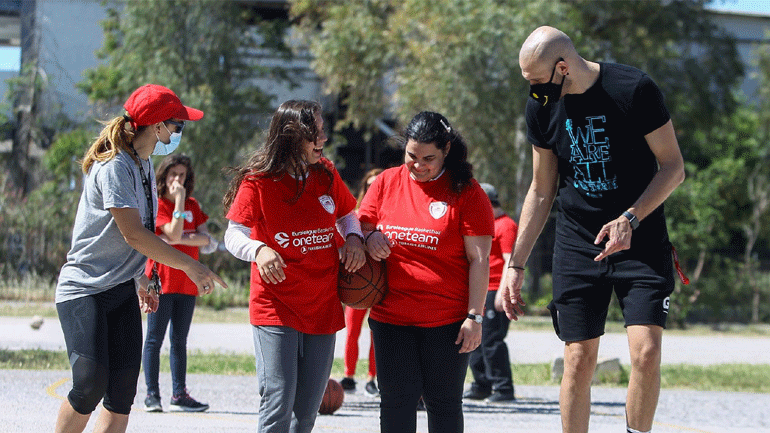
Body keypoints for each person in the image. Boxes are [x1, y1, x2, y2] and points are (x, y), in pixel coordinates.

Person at [499, 26, 685, 433]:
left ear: (563, 67)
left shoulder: (633, 89)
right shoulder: (541, 108)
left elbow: (674, 167)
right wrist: (516, 264)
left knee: (647, 352)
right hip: (578, 241)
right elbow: (541, 189)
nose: (534, 94)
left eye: (537, 82)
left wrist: (631, 217)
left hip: (640, 239)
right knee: (578, 357)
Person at [54, 84, 226, 433]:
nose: (179, 132)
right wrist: (191, 265)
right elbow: (134, 233)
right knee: (89, 385)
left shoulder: (144, 164)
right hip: (84, 289)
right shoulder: (115, 165)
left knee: (121, 396)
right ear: (158, 125)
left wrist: (140, 278)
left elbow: (132, 238)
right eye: (178, 125)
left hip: (120, 289)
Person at [222, 100, 366, 433]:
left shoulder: (325, 173)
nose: (322, 138)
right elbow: (234, 235)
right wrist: (258, 249)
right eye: (314, 133)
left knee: (306, 411)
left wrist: (355, 239)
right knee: (278, 399)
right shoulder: (258, 182)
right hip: (276, 305)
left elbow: (347, 216)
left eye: (322, 131)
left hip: (322, 302)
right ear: (291, 136)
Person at [359, 111, 494, 433]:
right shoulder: (386, 182)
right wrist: (370, 235)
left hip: (446, 321)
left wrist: (474, 318)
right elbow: (360, 223)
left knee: (443, 403)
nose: (418, 165)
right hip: (391, 317)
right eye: (412, 156)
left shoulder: (467, 192)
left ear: (446, 149)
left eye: (428, 158)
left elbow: (479, 260)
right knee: (395, 402)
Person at [142, 154, 214, 413]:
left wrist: (180, 237)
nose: (177, 180)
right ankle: (152, 395)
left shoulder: (193, 205)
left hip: (187, 283)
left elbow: (206, 240)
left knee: (179, 340)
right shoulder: (159, 204)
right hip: (160, 281)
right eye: (173, 174)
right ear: (164, 176)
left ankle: (179, 393)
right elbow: (172, 233)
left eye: (182, 175)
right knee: (154, 339)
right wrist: (180, 217)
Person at [464, 182, 518, 403]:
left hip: (495, 288)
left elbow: (510, 262)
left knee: (491, 341)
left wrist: (502, 292)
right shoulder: (486, 223)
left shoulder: (506, 225)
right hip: (481, 288)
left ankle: (504, 389)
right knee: (474, 339)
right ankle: (482, 384)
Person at [341, 167, 383, 396]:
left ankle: (372, 378)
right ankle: (349, 375)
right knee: (352, 331)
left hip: (378, 282)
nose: (372, 189)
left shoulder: (388, 214)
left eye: (377, 186)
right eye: (369, 185)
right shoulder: (352, 215)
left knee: (376, 332)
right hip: (356, 278)